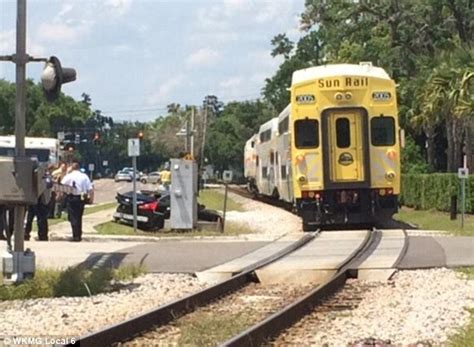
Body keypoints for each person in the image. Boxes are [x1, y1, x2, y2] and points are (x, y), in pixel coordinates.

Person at [61, 160, 94, 242]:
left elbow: (61, 185)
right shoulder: (84, 176)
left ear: (72, 167)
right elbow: (90, 189)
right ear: (79, 168)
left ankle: (76, 235)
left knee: (73, 217)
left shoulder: (69, 176)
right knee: (79, 216)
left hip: (71, 197)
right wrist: (91, 199)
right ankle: (78, 234)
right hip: (81, 198)